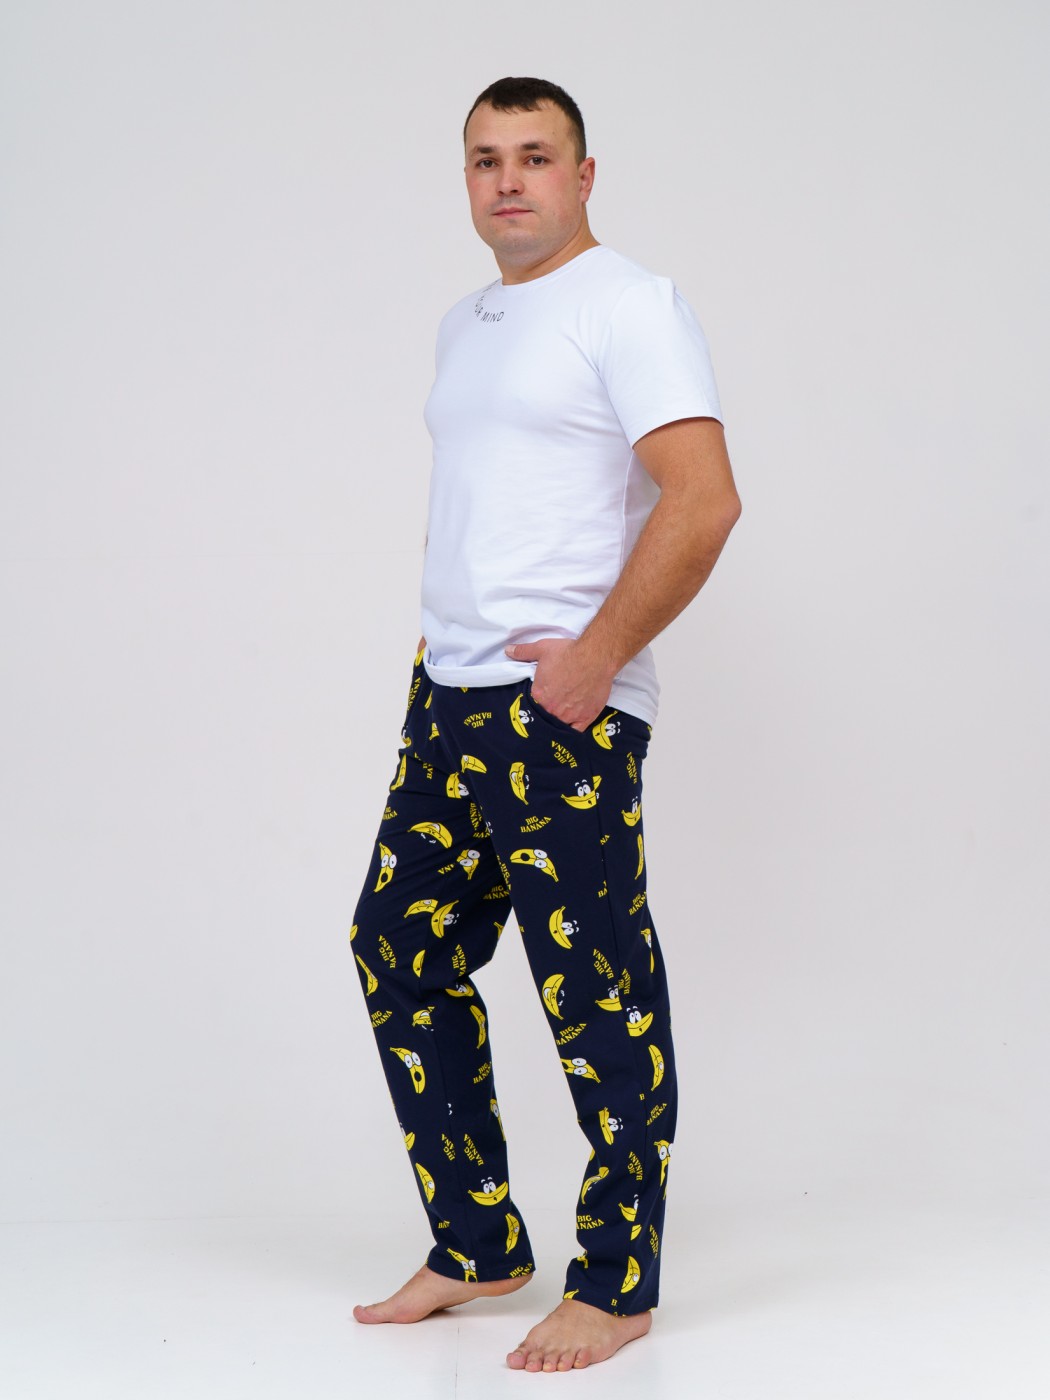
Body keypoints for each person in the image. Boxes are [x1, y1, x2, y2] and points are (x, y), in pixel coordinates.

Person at [350, 76, 741, 1373]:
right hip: (448, 695)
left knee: (594, 989)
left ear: (583, 174)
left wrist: (596, 659)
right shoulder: (465, 322)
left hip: (556, 711)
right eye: (485, 159)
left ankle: (617, 1283)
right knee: (396, 945)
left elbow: (702, 499)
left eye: (534, 156)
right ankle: (475, 1243)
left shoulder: (630, 304)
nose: (507, 180)